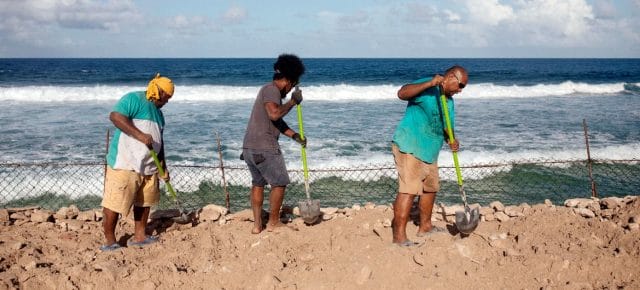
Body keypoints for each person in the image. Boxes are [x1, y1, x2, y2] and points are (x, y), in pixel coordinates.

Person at [391, 65, 468, 246]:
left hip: (430, 151)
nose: (460, 91)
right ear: (450, 77)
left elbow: (446, 126)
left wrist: (452, 139)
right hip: (410, 145)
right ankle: (399, 237)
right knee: (408, 190)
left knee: (430, 189)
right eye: (460, 85)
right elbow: (402, 93)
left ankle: (425, 227)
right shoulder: (427, 87)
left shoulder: (449, 101)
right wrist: (430, 83)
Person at [100, 73, 174, 251]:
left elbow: (159, 142)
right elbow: (115, 117)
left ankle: (139, 236)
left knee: (144, 202)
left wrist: (162, 166)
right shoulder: (133, 99)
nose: (167, 101)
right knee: (114, 203)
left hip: (149, 167)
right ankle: (110, 242)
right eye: (166, 97)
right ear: (157, 92)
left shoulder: (159, 115)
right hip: (125, 163)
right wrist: (140, 136)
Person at [242, 54, 306, 234]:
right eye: (292, 85)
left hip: (249, 147)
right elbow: (275, 114)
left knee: (258, 183)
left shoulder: (266, 90)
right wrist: (293, 101)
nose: (290, 89)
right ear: (288, 81)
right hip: (265, 147)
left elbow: (275, 122)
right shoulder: (272, 91)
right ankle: (274, 222)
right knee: (280, 182)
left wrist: (295, 136)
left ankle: (257, 226)